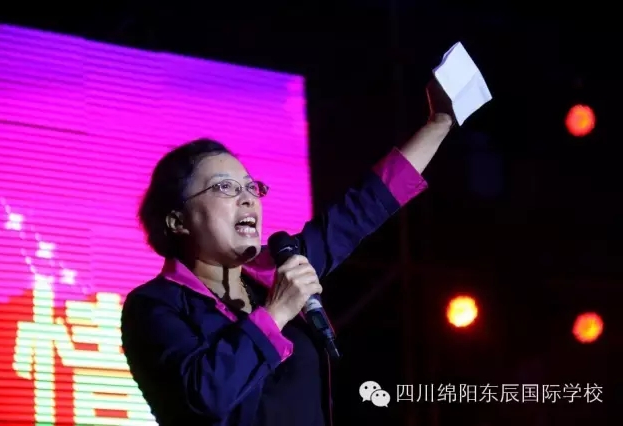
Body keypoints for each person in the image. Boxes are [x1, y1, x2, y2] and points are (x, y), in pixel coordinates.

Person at [121, 78, 456, 426]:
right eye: (225, 187)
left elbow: (362, 208)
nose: (248, 198)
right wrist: (276, 312)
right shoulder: (154, 306)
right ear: (178, 221)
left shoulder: (273, 273)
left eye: (251, 187)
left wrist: (439, 123)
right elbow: (202, 398)